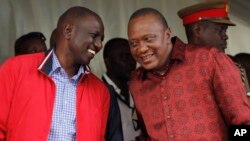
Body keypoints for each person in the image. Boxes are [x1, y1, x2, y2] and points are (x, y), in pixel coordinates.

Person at [127, 7, 250, 140]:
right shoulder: (136, 82)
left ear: (167, 35)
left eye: (148, 39)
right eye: (134, 43)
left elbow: (243, 123)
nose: (141, 49)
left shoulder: (209, 60)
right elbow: (146, 134)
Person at [0, 6, 110, 141]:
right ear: (68, 31)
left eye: (101, 39)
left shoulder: (100, 91)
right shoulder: (15, 69)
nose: (99, 45)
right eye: (94, 36)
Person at [177, 1, 250, 96]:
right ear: (197, 30)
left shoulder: (233, 67)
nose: (225, 36)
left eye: (225, 30)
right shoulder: (175, 68)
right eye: (219, 30)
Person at [102, 37, 142, 141]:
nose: (131, 63)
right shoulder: (99, 94)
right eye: (124, 57)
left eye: (132, 56)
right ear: (108, 62)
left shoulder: (138, 89)